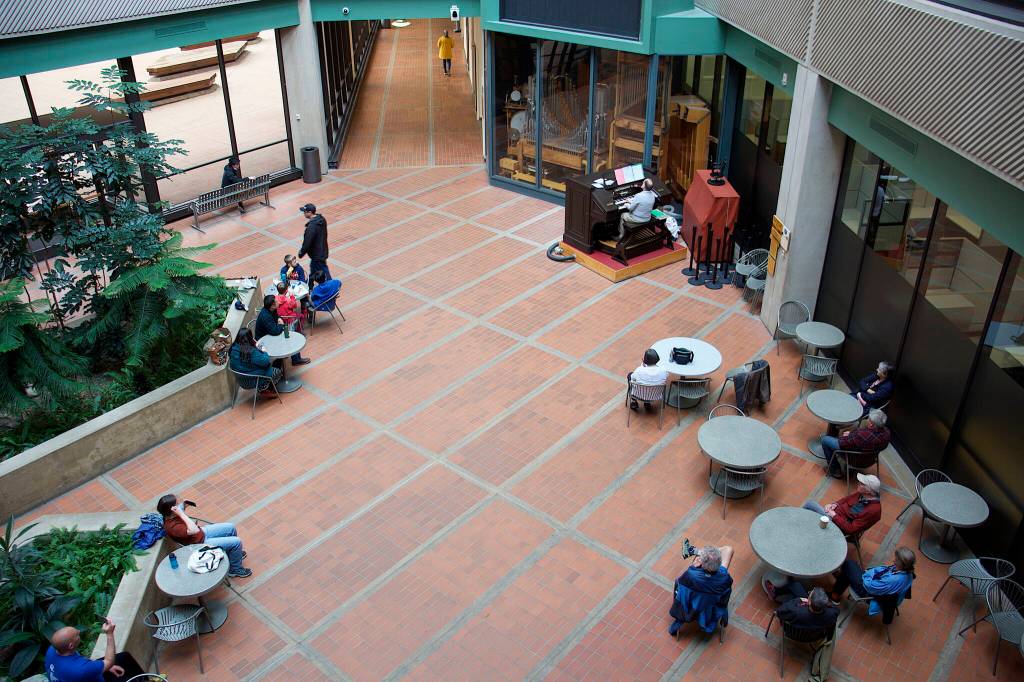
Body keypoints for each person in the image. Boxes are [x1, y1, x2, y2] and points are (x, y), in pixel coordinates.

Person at [157, 493, 253, 578]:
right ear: (173, 509)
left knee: (230, 527)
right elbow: (193, 530)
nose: (181, 504)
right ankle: (234, 570)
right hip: (199, 543)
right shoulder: (173, 527)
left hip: (201, 533)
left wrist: (183, 508)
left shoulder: (172, 515)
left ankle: (232, 555)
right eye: (179, 504)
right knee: (236, 542)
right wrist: (182, 514)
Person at [45, 618, 144, 681]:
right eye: (77, 635)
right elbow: (109, 661)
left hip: (78, 676)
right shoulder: (80, 669)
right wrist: (109, 634)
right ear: (71, 646)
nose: (79, 631)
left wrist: (104, 667)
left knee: (124, 657)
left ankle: (146, 678)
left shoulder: (53, 650)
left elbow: (80, 662)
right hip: (82, 675)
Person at [668, 544, 734, 636]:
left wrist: (693, 566)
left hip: (692, 607)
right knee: (728, 549)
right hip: (711, 607)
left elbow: (681, 586)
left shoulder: (690, 575)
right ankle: (700, 553)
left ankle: (697, 552)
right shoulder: (725, 578)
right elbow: (725, 596)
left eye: (700, 559)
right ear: (720, 564)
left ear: (701, 564)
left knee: (698, 559)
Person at [829, 546, 916, 607]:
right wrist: (870, 573)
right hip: (876, 585)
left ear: (903, 564)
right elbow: (882, 569)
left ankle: (835, 594)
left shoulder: (893, 580)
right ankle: (836, 592)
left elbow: (869, 586)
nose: (894, 561)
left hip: (868, 592)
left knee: (849, 564)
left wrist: (868, 574)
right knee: (849, 570)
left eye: (897, 560)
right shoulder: (908, 573)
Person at [803, 473, 882, 537]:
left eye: (861, 484)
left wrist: (834, 515)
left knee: (810, 504)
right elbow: (847, 499)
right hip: (834, 515)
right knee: (812, 509)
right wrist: (834, 504)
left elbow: (851, 529)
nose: (858, 484)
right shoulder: (863, 494)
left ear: (868, 491)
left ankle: (803, 528)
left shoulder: (873, 510)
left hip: (838, 525)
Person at [820, 409, 890, 477]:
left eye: (869, 419)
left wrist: (848, 435)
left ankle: (835, 470)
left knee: (825, 440)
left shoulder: (861, 435)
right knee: (863, 423)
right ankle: (848, 469)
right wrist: (852, 434)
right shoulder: (887, 433)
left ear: (871, 424)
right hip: (870, 460)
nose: (868, 419)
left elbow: (842, 443)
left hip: (855, 460)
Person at [255, 294, 310, 366]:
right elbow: (275, 332)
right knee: (289, 339)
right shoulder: (265, 316)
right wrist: (280, 324)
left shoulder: (271, 309)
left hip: (270, 333)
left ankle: (295, 359)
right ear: (272, 306)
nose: (278, 301)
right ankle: (295, 360)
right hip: (265, 340)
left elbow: (277, 317)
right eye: (276, 301)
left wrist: (279, 319)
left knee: (289, 335)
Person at [228, 328, 281, 396]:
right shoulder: (250, 352)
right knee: (277, 372)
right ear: (249, 338)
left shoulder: (233, 348)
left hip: (241, 379)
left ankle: (264, 388)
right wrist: (264, 351)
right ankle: (264, 389)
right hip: (252, 380)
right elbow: (266, 361)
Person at [775, 586, 839, 634]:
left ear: (809, 602)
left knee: (790, 596)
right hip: (813, 635)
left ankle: (775, 591)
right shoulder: (832, 614)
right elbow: (835, 610)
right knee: (796, 585)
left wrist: (798, 600)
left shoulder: (796, 612)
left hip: (793, 633)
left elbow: (779, 612)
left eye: (809, 594)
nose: (809, 593)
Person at [298, 203, 331, 281]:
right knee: (313, 269)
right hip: (323, 250)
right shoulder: (322, 219)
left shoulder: (311, 227)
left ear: (310, 212)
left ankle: (331, 286)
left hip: (317, 254)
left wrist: (301, 253)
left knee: (323, 271)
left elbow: (307, 242)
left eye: (305, 212)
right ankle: (310, 283)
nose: (304, 213)